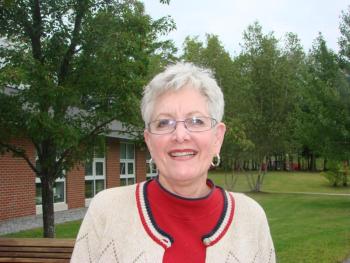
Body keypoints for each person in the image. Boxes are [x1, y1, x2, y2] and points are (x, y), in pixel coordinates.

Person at [71, 62, 276, 262]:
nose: (180, 135)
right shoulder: (106, 210)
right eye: (164, 122)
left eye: (196, 121)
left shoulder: (251, 217)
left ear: (217, 138)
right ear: (149, 140)